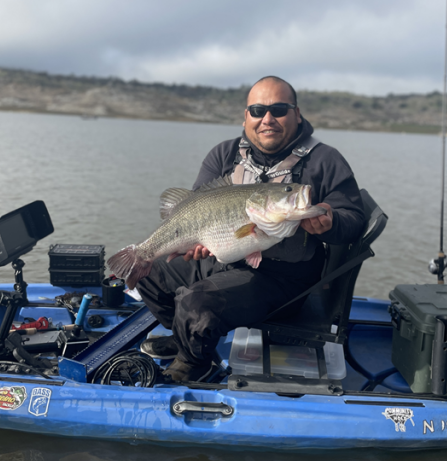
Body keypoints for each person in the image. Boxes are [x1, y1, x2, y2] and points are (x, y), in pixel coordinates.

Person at [136, 76, 366, 382]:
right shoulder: (224, 154)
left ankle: (195, 363)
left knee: (196, 303)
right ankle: (187, 341)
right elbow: (194, 210)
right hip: (226, 256)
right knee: (146, 273)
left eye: (279, 109)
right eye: (257, 110)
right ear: (245, 116)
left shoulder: (325, 160)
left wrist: (331, 220)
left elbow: (353, 218)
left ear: (297, 114)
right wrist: (197, 242)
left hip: (283, 279)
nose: (267, 119)